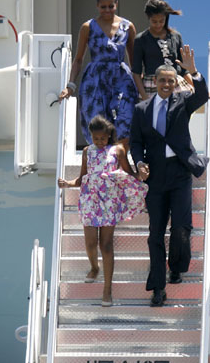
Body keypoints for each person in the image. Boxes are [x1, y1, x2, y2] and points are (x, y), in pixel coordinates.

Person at [130, 45, 209, 307]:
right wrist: (139, 163)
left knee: (180, 229)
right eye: (162, 80)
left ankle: (176, 266)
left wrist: (193, 71)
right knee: (155, 234)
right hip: (155, 178)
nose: (166, 84)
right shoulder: (142, 109)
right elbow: (135, 143)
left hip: (179, 172)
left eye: (170, 80)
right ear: (154, 82)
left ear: (176, 83)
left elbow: (201, 96)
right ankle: (158, 289)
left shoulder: (183, 102)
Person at [58, 115, 148, 306]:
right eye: (95, 138)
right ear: (90, 136)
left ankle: (107, 290)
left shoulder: (118, 150)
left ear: (109, 136)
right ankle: (94, 267)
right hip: (90, 200)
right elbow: (83, 177)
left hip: (109, 201)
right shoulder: (86, 151)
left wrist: (139, 175)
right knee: (90, 243)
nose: (99, 142)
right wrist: (68, 183)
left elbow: (129, 173)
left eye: (103, 138)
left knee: (105, 245)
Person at [59, 0, 140, 148]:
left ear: (116, 4)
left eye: (111, 6)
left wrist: (140, 85)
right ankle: (100, 164)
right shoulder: (88, 27)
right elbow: (79, 59)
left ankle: (121, 162)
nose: (108, 10)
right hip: (95, 80)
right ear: (97, 5)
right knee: (97, 124)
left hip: (121, 78)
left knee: (125, 118)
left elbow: (134, 59)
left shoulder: (127, 26)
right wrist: (70, 85)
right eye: (103, 7)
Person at [132, 0, 194, 101]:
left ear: (166, 18)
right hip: (151, 86)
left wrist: (197, 87)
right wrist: (144, 97)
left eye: (161, 21)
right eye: (154, 21)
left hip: (175, 84)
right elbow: (136, 73)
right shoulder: (141, 39)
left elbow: (184, 69)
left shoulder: (175, 36)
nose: (158, 25)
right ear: (148, 18)